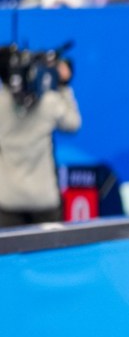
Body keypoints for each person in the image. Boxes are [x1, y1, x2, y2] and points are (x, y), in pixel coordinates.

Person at [0, 51, 81, 227]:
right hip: (43, 201)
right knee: (52, 255)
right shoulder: (49, 101)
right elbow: (73, 123)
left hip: (7, 201)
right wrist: (63, 85)